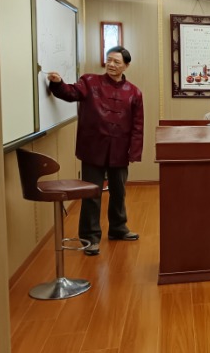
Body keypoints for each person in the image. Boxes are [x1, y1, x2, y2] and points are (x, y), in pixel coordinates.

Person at [47, 46, 143, 256]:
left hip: (119, 150)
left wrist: (134, 152)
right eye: (109, 60)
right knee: (91, 193)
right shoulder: (90, 82)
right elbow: (70, 93)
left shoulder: (134, 92)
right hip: (93, 149)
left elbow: (138, 125)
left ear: (126, 66)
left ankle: (118, 228)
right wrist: (58, 83)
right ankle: (90, 237)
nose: (111, 64)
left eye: (117, 62)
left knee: (119, 192)